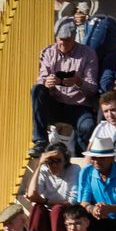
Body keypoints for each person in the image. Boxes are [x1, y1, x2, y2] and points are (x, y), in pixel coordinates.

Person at [30, 19, 99, 156]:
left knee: (87, 126)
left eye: (68, 40)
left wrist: (78, 82)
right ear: (56, 37)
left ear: (74, 38)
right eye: (61, 39)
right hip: (55, 102)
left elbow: (93, 89)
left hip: (78, 105)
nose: (63, 43)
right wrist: (47, 83)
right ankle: (40, 141)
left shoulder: (88, 54)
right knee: (37, 90)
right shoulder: (48, 52)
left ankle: (82, 155)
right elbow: (41, 79)